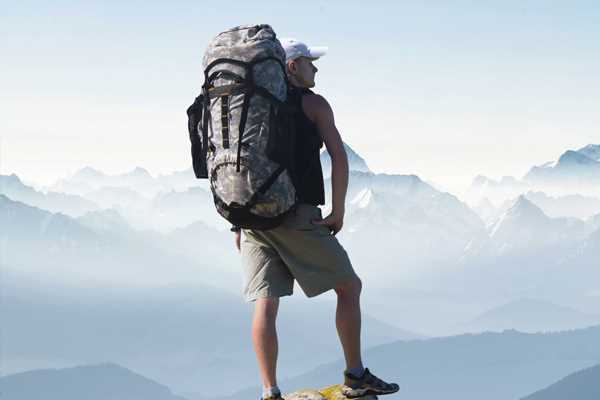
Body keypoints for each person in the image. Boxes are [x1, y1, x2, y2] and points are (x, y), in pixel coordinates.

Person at [233, 38, 399, 400]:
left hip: (252, 219)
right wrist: (338, 210)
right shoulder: (313, 104)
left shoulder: (251, 106)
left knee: (266, 302)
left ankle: (269, 391)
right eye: (309, 61)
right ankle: (356, 377)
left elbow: (240, 165)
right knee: (349, 286)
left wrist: (237, 222)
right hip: (296, 214)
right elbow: (339, 158)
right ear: (291, 67)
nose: (315, 68)